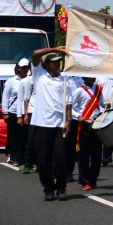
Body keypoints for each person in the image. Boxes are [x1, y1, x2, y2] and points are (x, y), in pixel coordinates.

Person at [29, 46, 72, 201]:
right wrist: (55, 48)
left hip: (59, 125)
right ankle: (48, 188)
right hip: (42, 124)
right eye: (54, 61)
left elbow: (68, 103)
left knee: (61, 157)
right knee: (43, 159)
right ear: (46, 64)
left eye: (59, 61)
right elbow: (35, 53)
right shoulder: (39, 75)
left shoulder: (65, 79)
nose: (57, 64)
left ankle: (61, 188)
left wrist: (68, 121)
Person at [67, 76, 103, 191]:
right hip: (85, 124)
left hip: (97, 124)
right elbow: (70, 107)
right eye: (89, 76)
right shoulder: (79, 90)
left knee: (97, 154)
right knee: (84, 155)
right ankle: (85, 181)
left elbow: (102, 104)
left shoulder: (99, 89)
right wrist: (78, 116)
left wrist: (104, 109)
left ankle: (93, 180)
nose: (91, 78)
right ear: (84, 77)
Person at [2, 59, 31, 166]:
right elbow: (5, 97)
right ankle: (12, 155)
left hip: (25, 112)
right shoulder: (11, 81)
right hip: (13, 112)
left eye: (26, 67)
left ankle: (21, 156)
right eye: (22, 67)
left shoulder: (30, 80)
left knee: (24, 136)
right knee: (13, 136)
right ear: (18, 68)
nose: (24, 69)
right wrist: (5, 112)